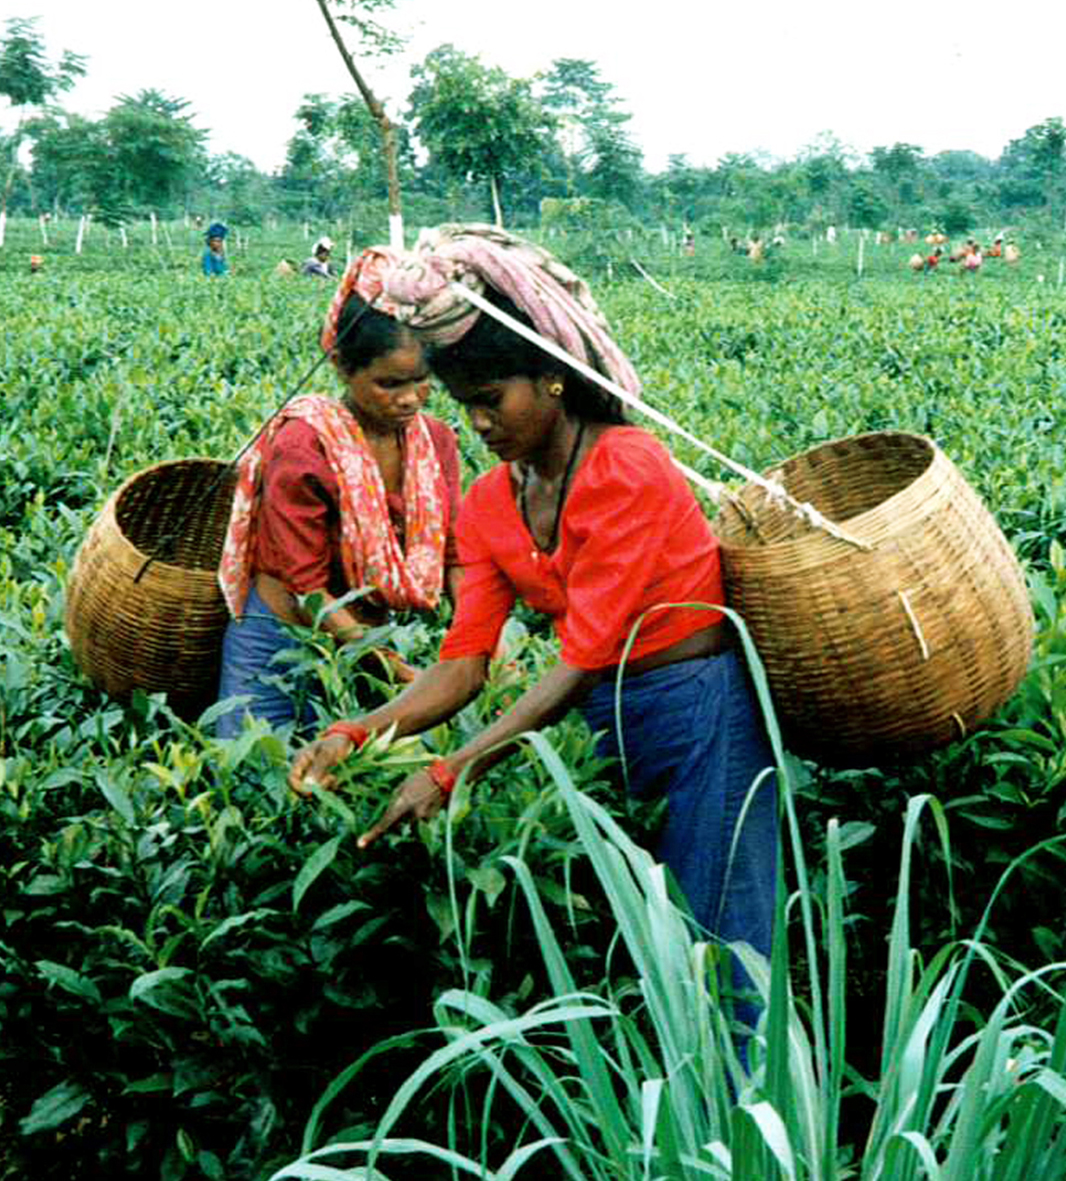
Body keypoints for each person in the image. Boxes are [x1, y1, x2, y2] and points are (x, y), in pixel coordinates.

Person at [288, 225, 780, 1027]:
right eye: (466, 406)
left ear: (551, 382)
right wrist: (358, 729)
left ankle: (746, 1129)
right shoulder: (488, 504)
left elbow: (583, 653)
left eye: (493, 399)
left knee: (726, 942)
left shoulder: (629, 467)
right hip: (599, 723)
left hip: (700, 714)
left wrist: (456, 769)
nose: (478, 423)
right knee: (646, 944)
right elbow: (463, 664)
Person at [215, 245, 464, 738]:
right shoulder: (304, 443)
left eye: (421, 381)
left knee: (357, 782)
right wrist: (391, 668)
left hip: (372, 632)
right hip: (281, 636)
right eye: (390, 383)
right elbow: (304, 584)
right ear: (343, 368)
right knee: (251, 779)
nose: (410, 398)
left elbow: (455, 553)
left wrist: (480, 644)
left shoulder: (434, 442)